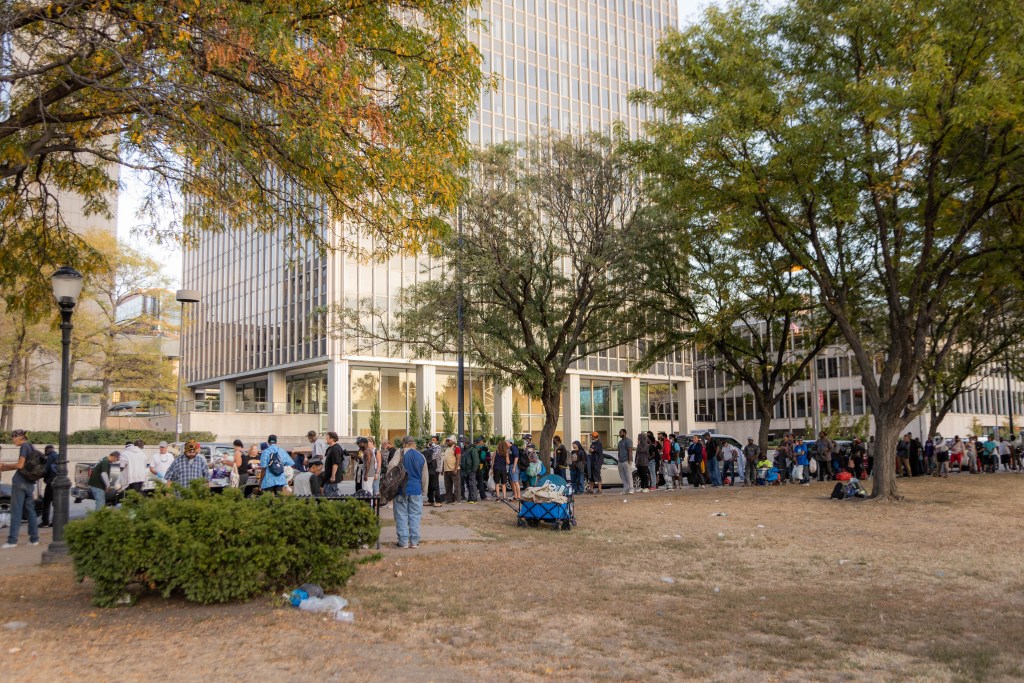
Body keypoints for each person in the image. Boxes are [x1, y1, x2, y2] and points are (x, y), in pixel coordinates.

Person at [1, 429, 42, 548]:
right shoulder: (32, 447)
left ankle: (12, 541)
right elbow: (23, 467)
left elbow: (20, 465)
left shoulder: (24, 447)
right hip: (29, 483)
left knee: (16, 511)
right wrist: (5, 468)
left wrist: (4, 465)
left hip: (20, 483)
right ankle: (34, 539)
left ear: (20, 437)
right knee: (30, 512)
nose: (13, 440)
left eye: (14, 437)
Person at [394, 435, 427, 549]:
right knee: (415, 516)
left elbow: (391, 467)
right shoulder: (421, 455)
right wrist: (424, 490)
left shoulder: (400, 452)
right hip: (416, 490)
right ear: (414, 443)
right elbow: (424, 476)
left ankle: (403, 542)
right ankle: (414, 541)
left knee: (401, 515)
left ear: (404, 444)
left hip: (401, 490)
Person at [40, 445, 58, 528]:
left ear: (47, 450)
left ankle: (45, 522)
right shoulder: (58, 456)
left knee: (46, 502)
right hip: (58, 483)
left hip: (50, 483)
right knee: (56, 504)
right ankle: (55, 522)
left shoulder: (50, 457)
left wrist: (40, 475)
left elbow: (46, 470)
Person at [323, 432, 346, 496]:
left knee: (331, 495)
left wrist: (333, 476)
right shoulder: (330, 448)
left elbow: (335, 463)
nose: (326, 439)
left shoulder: (335, 448)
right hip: (328, 476)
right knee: (327, 493)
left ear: (332, 439)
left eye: (327, 437)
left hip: (332, 478)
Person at [460, 439, 480, 503]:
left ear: (466, 443)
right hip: (465, 470)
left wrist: (474, 469)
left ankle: (474, 499)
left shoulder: (472, 449)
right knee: (468, 485)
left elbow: (476, 460)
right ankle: (470, 498)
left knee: (472, 484)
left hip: (471, 470)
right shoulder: (465, 450)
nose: (462, 444)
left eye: (463, 442)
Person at [442, 435, 459, 504]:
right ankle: (449, 499)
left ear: (453, 441)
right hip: (447, 471)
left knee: (456, 486)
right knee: (448, 487)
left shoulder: (456, 448)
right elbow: (445, 460)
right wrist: (443, 469)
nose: (447, 442)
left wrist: (455, 469)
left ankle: (457, 500)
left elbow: (458, 459)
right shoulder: (447, 449)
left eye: (448, 440)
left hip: (454, 470)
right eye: (447, 440)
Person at [616, 429, 634, 494]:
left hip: (626, 460)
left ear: (624, 433)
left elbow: (630, 451)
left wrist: (630, 460)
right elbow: (619, 451)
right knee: (622, 475)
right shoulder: (620, 442)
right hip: (620, 461)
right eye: (619, 432)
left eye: (620, 432)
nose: (619, 434)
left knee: (628, 475)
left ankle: (631, 489)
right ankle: (626, 488)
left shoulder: (628, 441)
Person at [473, 436, 490, 501]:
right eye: (482, 441)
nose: (483, 442)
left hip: (473, 467)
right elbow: (483, 458)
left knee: (473, 481)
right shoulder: (483, 448)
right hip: (481, 466)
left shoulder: (473, 448)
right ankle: (483, 496)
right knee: (481, 481)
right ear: (480, 442)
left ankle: (473, 496)